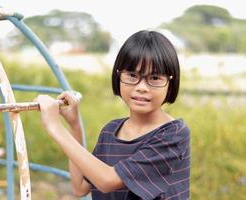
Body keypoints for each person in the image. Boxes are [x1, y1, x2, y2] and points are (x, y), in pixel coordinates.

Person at [35, 30, 190, 199]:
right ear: (118, 76)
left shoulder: (173, 134)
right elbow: (80, 187)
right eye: (132, 75)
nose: (142, 87)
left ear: (170, 82)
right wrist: (74, 126)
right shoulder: (111, 131)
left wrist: (54, 127)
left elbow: (107, 181)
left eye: (154, 78)